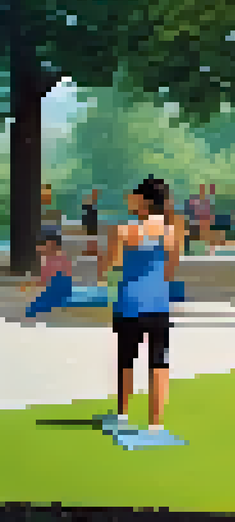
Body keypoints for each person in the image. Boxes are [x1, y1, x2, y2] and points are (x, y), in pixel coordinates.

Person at [94, 176, 183, 436]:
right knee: (159, 363)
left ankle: (123, 414)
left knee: (126, 360)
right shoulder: (171, 232)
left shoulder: (122, 230)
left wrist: (103, 263)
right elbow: (170, 270)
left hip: (130, 303)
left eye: (133, 197)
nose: (128, 200)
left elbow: (110, 266)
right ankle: (156, 423)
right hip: (158, 303)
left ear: (143, 201)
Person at [24, 232, 73, 319]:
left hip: (59, 289)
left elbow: (49, 280)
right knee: (34, 306)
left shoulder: (59, 257)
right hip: (55, 289)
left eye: (49, 245)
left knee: (34, 308)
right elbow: (45, 280)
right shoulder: (48, 258)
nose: (46, 248)